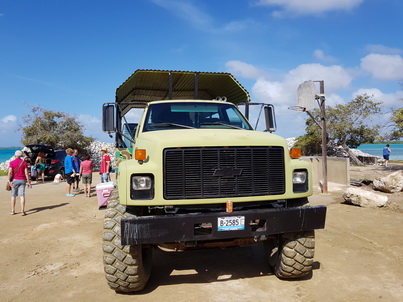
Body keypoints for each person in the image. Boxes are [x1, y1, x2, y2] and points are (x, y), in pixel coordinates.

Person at [8, 150, 32, 216]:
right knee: (22, 195)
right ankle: (22, 211)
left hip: (14, 180)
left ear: (15, 155)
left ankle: (13, 210)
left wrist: (9, 181)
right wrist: (28, 182)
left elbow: (10, 172)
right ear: (21, 155)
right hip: (22, 180)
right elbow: (26, 173)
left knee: (13, 195)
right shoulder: (24, 163)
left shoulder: (12, 162)